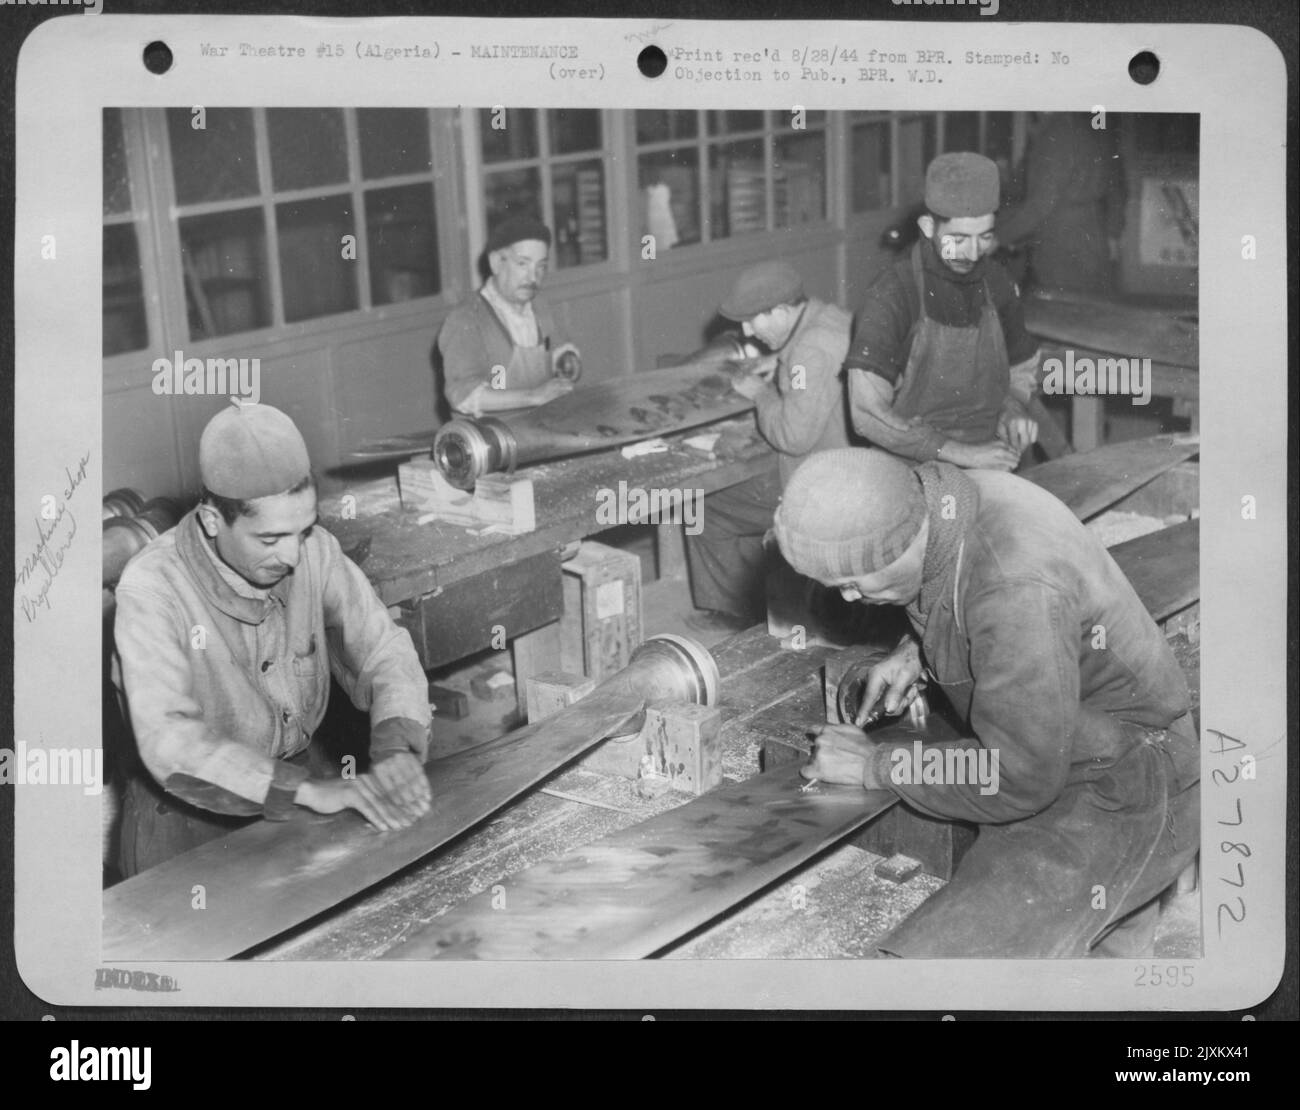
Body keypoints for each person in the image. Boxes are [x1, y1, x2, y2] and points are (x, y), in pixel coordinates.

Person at [772, 448, 1199, 957]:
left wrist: (875, 762)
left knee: (929, 973)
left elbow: (1017, 776)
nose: (846, 599)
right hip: (1069, 735)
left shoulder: (1014, 588)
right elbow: (966, 593)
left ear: (902, 542)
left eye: (852, 583)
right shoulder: (947, 501)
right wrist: (920, 651)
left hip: (1129, 782)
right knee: (1098, 966)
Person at [113, 403, 433, 877]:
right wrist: (304, 791)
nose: (292, 556)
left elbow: (383, 651)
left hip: (301, 783)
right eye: (270, 539)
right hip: (187, 815)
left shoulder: (314, 552)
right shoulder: (153, 589)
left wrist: (397, 745)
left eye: (303, 530)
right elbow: (173, 741)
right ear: (211, 520)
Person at [846, 152, 1042, 472]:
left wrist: (1013, 407)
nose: (973, 253)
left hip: (992, 450)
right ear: (927, 226)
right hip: (909, 462)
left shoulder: (996, 281)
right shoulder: (894, 292)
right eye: (958, 239)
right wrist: (959, 453)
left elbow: (1022, 363)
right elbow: (866, 414)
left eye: (985, 237)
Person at [686, 261, 854, 630]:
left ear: (781, 310)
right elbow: (813, 355)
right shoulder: (830, 317)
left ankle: (732, 614)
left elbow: (791, 438)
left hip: (817, 486)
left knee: (702, 507)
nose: (747, 332)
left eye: (753, 321)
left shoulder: (808, 351)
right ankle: (755, 595)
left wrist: (760, 393)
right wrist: (777, 361)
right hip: (849, 466)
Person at [437, 215, 580, 418]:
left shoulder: (540, 307)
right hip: (490, 438)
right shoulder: (466, 319)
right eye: (523, 264)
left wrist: (567, 360)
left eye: (541, 266)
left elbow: (558, 347)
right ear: (496, 262)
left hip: (539, 427)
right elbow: (463, 395)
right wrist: (533, 397)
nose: (533, 278)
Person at [996, 112, 1126, 297]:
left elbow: (1041, 204)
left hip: (1063, 241)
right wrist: (1114, 230)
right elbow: (1116, 181)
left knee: (1064, 310)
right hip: (1091, 233)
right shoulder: (1086, 124)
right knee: (1087, 307)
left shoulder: (1056, 132)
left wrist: (998, 237)